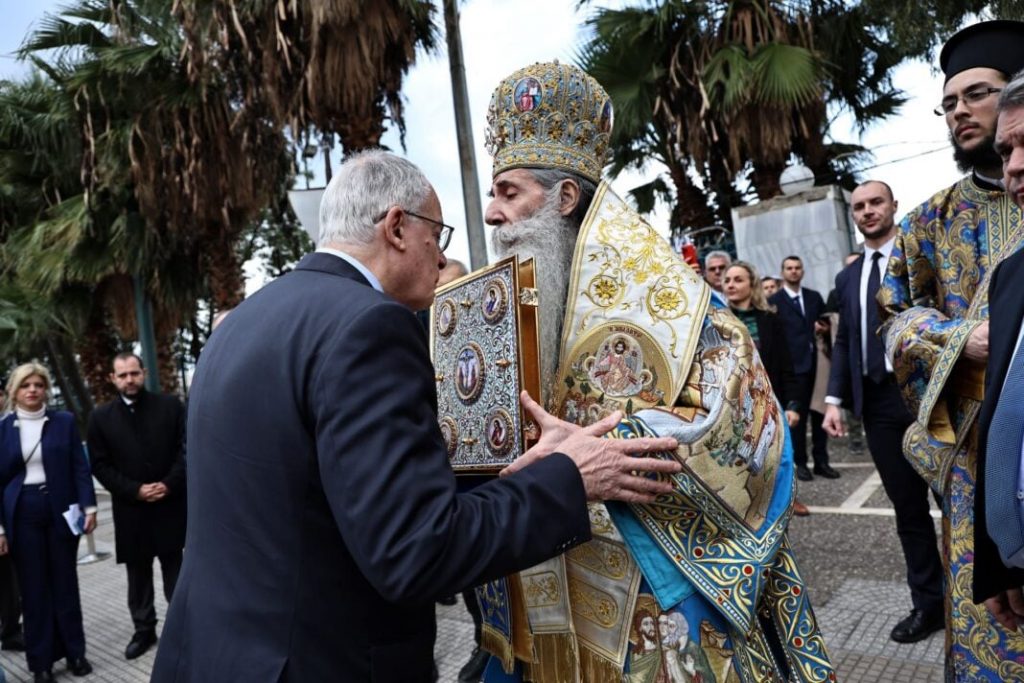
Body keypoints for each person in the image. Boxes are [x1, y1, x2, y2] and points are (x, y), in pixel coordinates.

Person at [150, 149, 681, 683]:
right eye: (437, 235)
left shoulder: (243, 322)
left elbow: (320, 490)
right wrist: (569, 477)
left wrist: (515, 469)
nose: (441, 257)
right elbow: (414, 551)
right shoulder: (368, 327)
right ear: (398, 227)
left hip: (208, 657)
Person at [476, 61, 832, 682]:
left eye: (509, 192)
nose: (490, 212)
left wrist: (604, 448)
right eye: (492, 193)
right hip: (543, 584)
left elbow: (750, 424)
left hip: (651, 592)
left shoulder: (679, 302)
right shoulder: (504, 308)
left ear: (565, 198)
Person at [878, 21, 1024, 679]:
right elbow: (893, 318)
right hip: (974, 459)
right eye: (948, 103)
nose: (960, 110)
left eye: (976, 94)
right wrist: (959, 338)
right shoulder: (928, 222)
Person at [822, 180, 944, 643]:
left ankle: (979, 600)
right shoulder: (847, 278)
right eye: (859, 206)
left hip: (930, 397)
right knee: (908, 511)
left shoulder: (922, 257)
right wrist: (834, 400)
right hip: (877, 403)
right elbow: (845, 340)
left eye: (876, 202)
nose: (868, 211)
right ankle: (929, 606)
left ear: (894, 205)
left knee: (953, 502)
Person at [86, 353, 186, 660]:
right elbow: (100, 465)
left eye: (134, 373)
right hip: (132, 510)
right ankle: (144, 631)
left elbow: (185, 449)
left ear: (144, 373)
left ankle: (184, 629)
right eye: (123, 375)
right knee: (138, 577)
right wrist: (136, 490)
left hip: (169, 505)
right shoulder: (100, 417)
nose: (129, 380)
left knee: (177, 573)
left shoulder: (170, 406)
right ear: (112, 379)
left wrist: (168, 484)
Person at [0, 363, 95, 682]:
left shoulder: (63, 422)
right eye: (26, 385)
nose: (33, 390)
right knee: (33, 590)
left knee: (66, 584)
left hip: (60, 511)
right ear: (14, 391)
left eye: (39, 385)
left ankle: (75, 653)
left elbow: (79, 467)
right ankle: (40, 662)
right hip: (22, 513)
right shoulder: (3, 429)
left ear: (45, 390)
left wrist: (89, 506)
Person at [975, 69, 1024, 633]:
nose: (1013, 168)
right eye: (1006, 151)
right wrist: (999, 560)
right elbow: (1002, 420)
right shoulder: (1010, 276)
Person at [722, 261, 808, 516]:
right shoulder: (720, 320)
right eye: (727, 280)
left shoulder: (770, 318)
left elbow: (786, 363)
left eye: (738, 279)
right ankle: (745, 504)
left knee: (778, 453)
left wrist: (793, 403)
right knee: (740, 455)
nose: (731, 285)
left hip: (769, 397)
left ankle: (787, 498)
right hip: (733, 402)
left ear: (752, 284)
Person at [769, 256, 837, 481]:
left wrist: (824, 328)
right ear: (783, 272)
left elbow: (825, 323)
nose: (794, 271)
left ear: (802, 271)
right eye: (789, 268)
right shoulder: (774, 301)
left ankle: (822, 462)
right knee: (797, 419)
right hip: (793, 369)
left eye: (797, 268)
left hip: (818, 366)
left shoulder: (814, 297)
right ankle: (801, 463)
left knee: (820, 415)